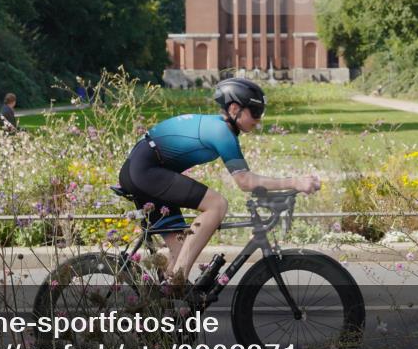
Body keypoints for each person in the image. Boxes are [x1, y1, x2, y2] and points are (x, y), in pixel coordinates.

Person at [116, 78, 321, 290]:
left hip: (144, 170)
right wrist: (295, 182)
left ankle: (166, 307)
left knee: (179, 251)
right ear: (234, 108)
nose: (258, 120)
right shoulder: (221, 132)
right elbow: (245, 181)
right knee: (217, 204)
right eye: (255, 113)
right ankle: (177, 281)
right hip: (145, 172)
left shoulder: (220, 127)